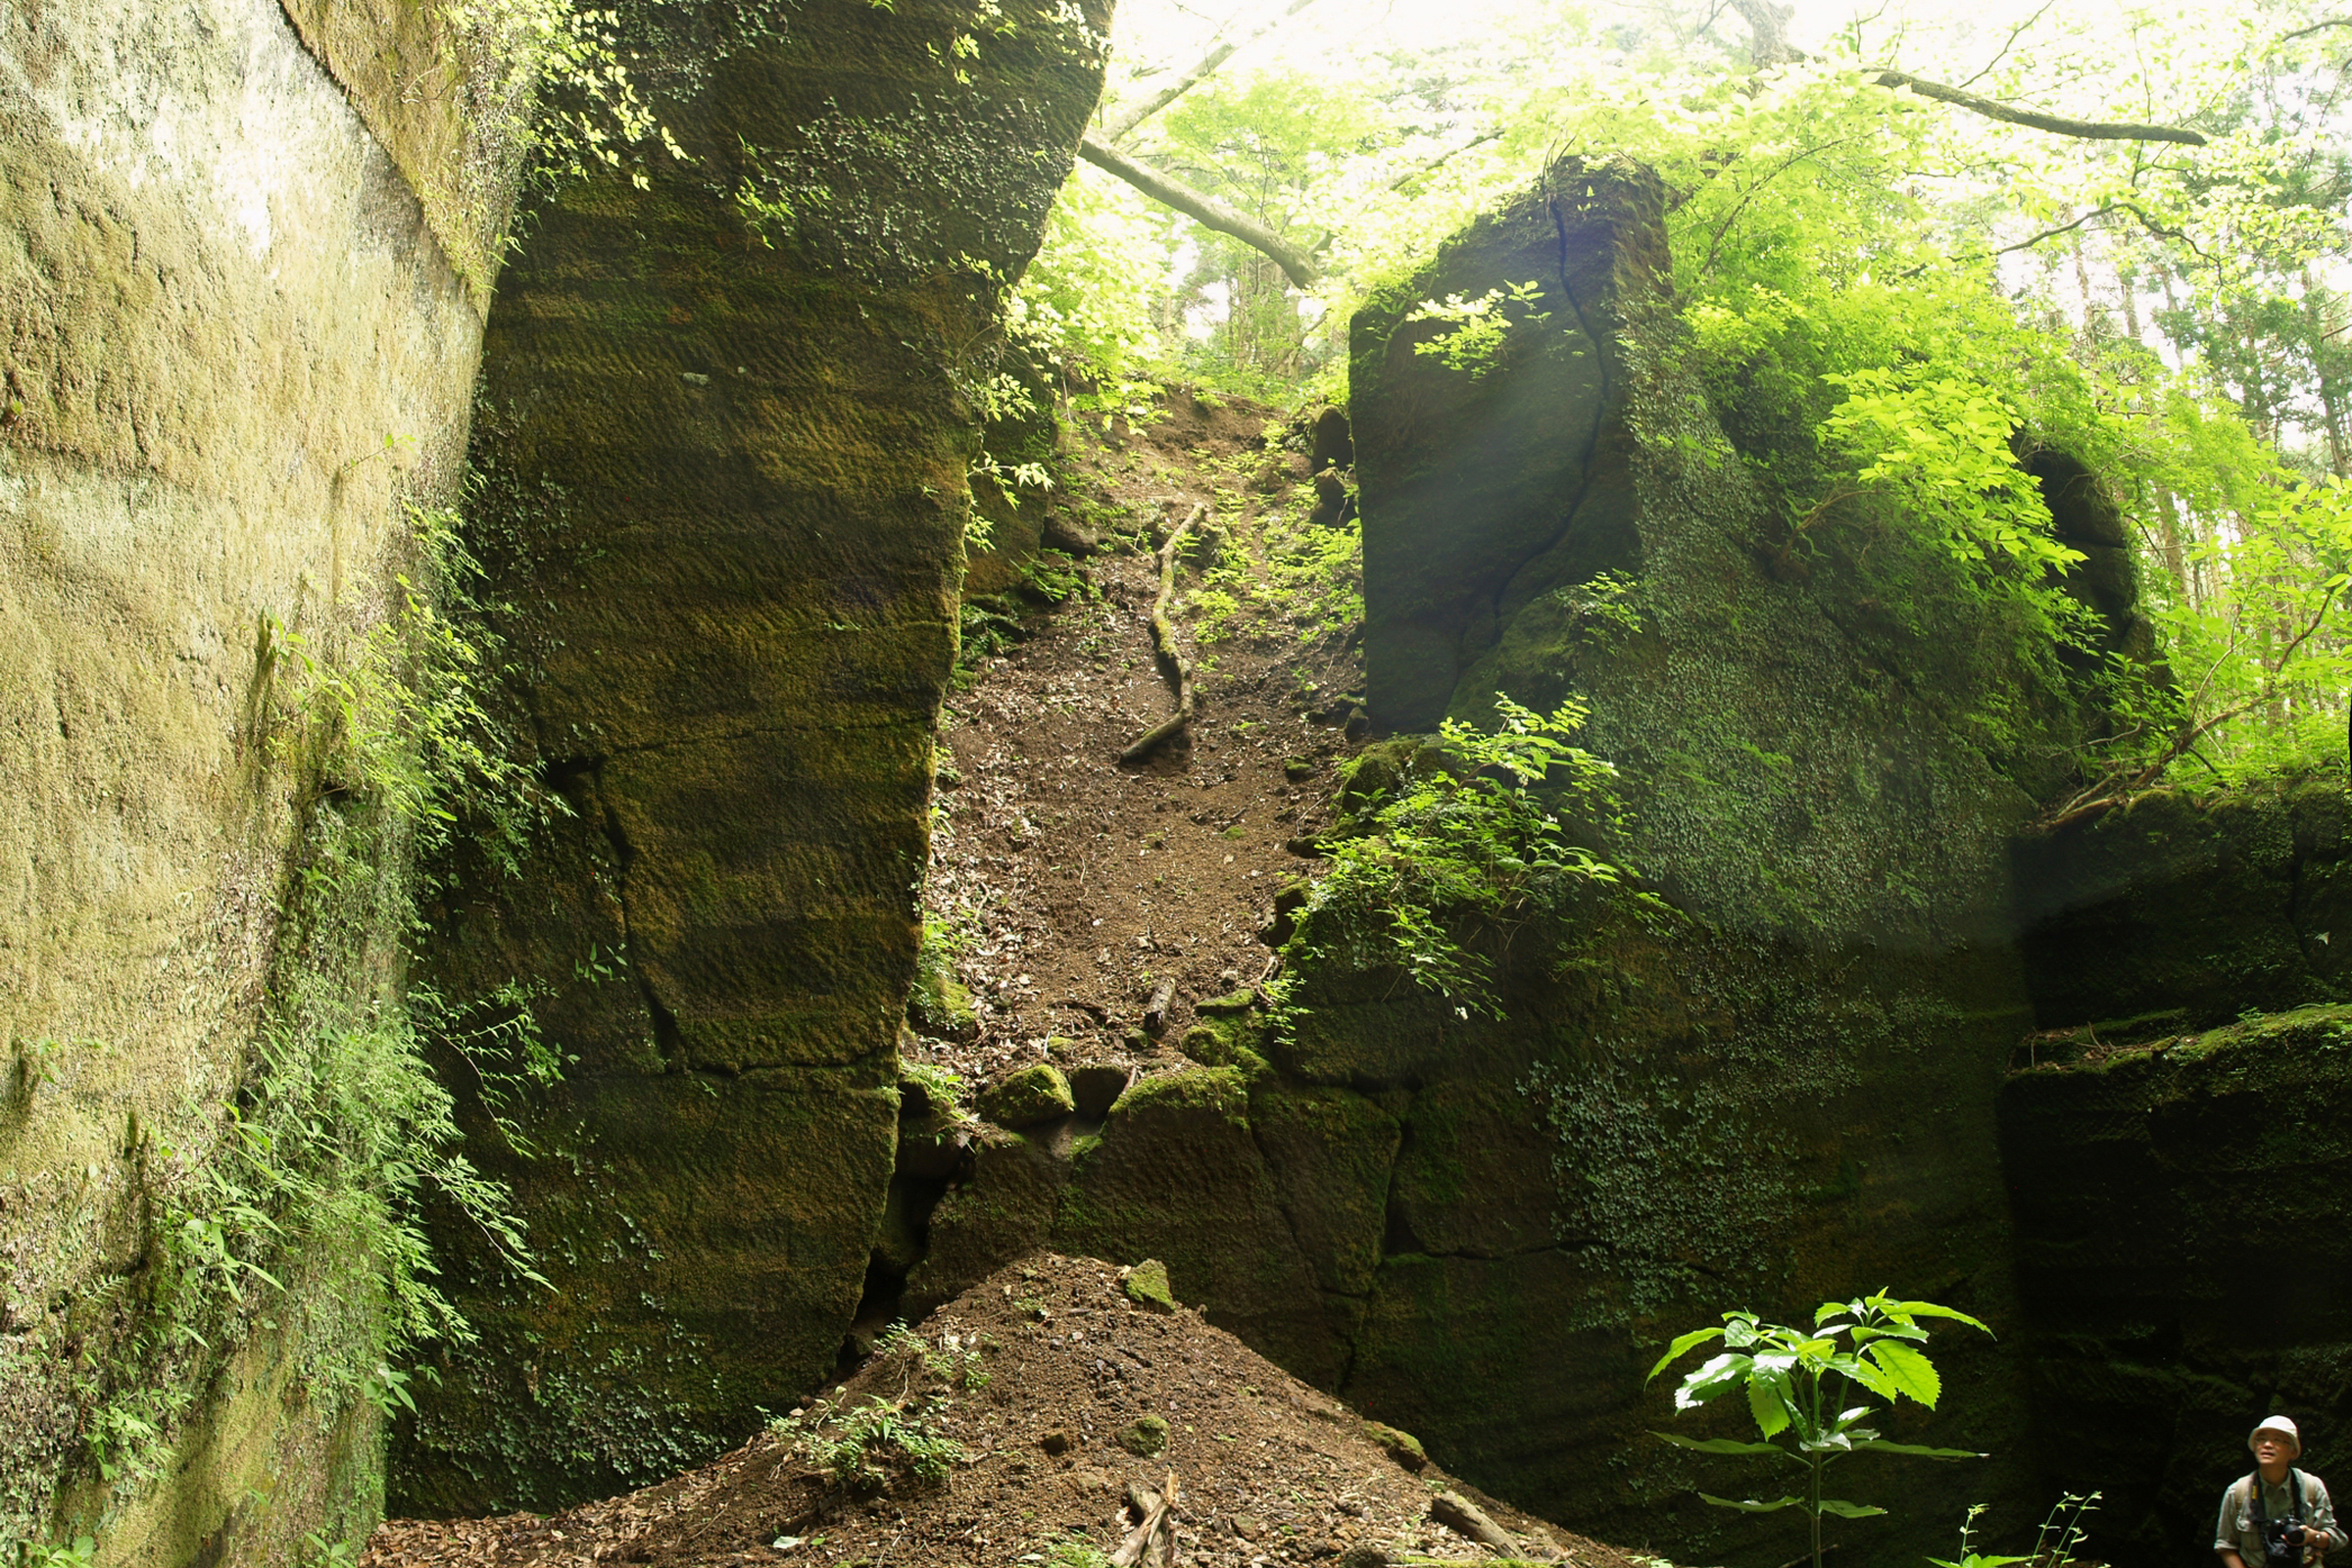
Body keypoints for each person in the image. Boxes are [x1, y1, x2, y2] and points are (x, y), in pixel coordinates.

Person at [2220, 1416, 2346, 1568]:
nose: (2267, 1445)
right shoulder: (2237, 1492)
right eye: (2261, 1439)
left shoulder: (2312, 1487)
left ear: (2292, 1452)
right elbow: (2226, 1545)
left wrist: (2312, 1536)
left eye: (2277, 1440)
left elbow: (2336, 1538)